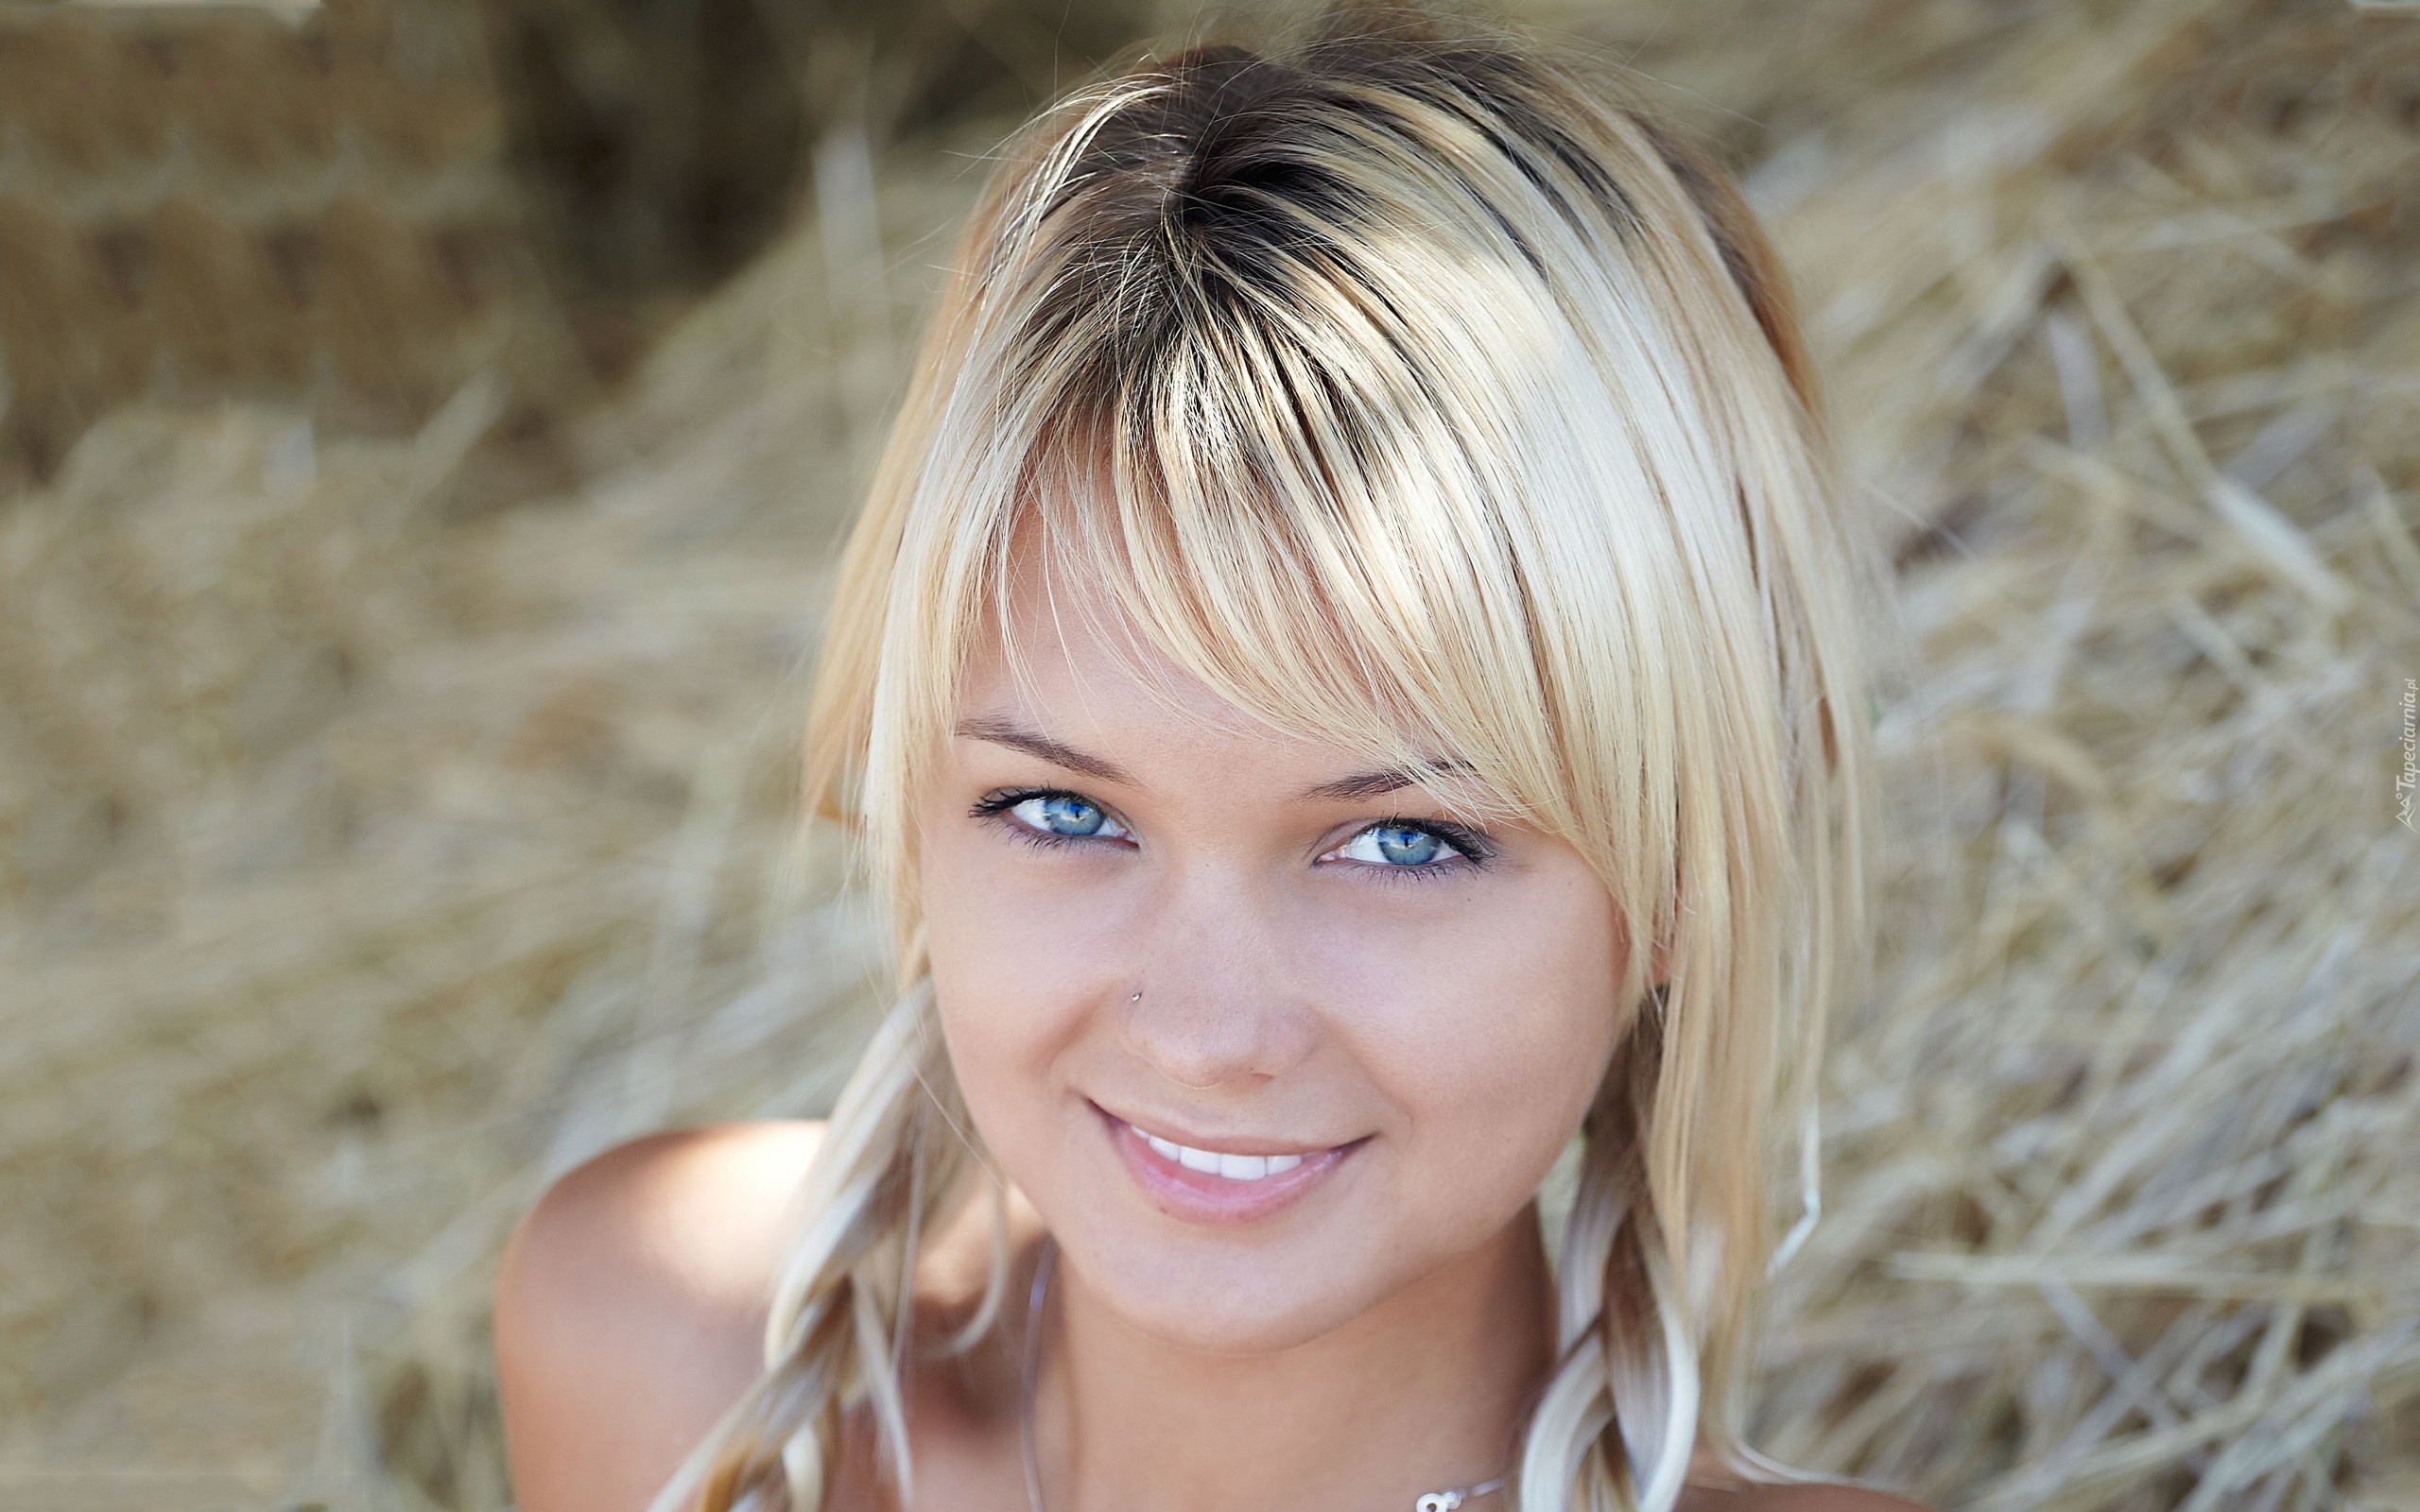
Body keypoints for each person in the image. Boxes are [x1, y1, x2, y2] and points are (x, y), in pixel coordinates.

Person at [494, 10, 1920, 1512]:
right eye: (1061, 810)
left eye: (1406, 842)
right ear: (913, 804)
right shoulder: (657, 1351)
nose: (1206, 1036)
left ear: (1684, 872)